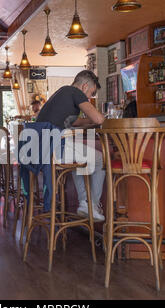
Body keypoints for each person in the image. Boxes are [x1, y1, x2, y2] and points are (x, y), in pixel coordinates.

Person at [36, 70, 106, 221]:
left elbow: (72, 122)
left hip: (41, 150)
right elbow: (99, 120)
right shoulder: (76, 92)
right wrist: (98, 117)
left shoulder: (62, 92)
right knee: (100, 158)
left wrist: (89, 121)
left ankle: (84, 203)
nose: (89, 98)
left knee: (78, 162)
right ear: (85, 86)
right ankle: (92, 205)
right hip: (54, 148)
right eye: (91, 93)